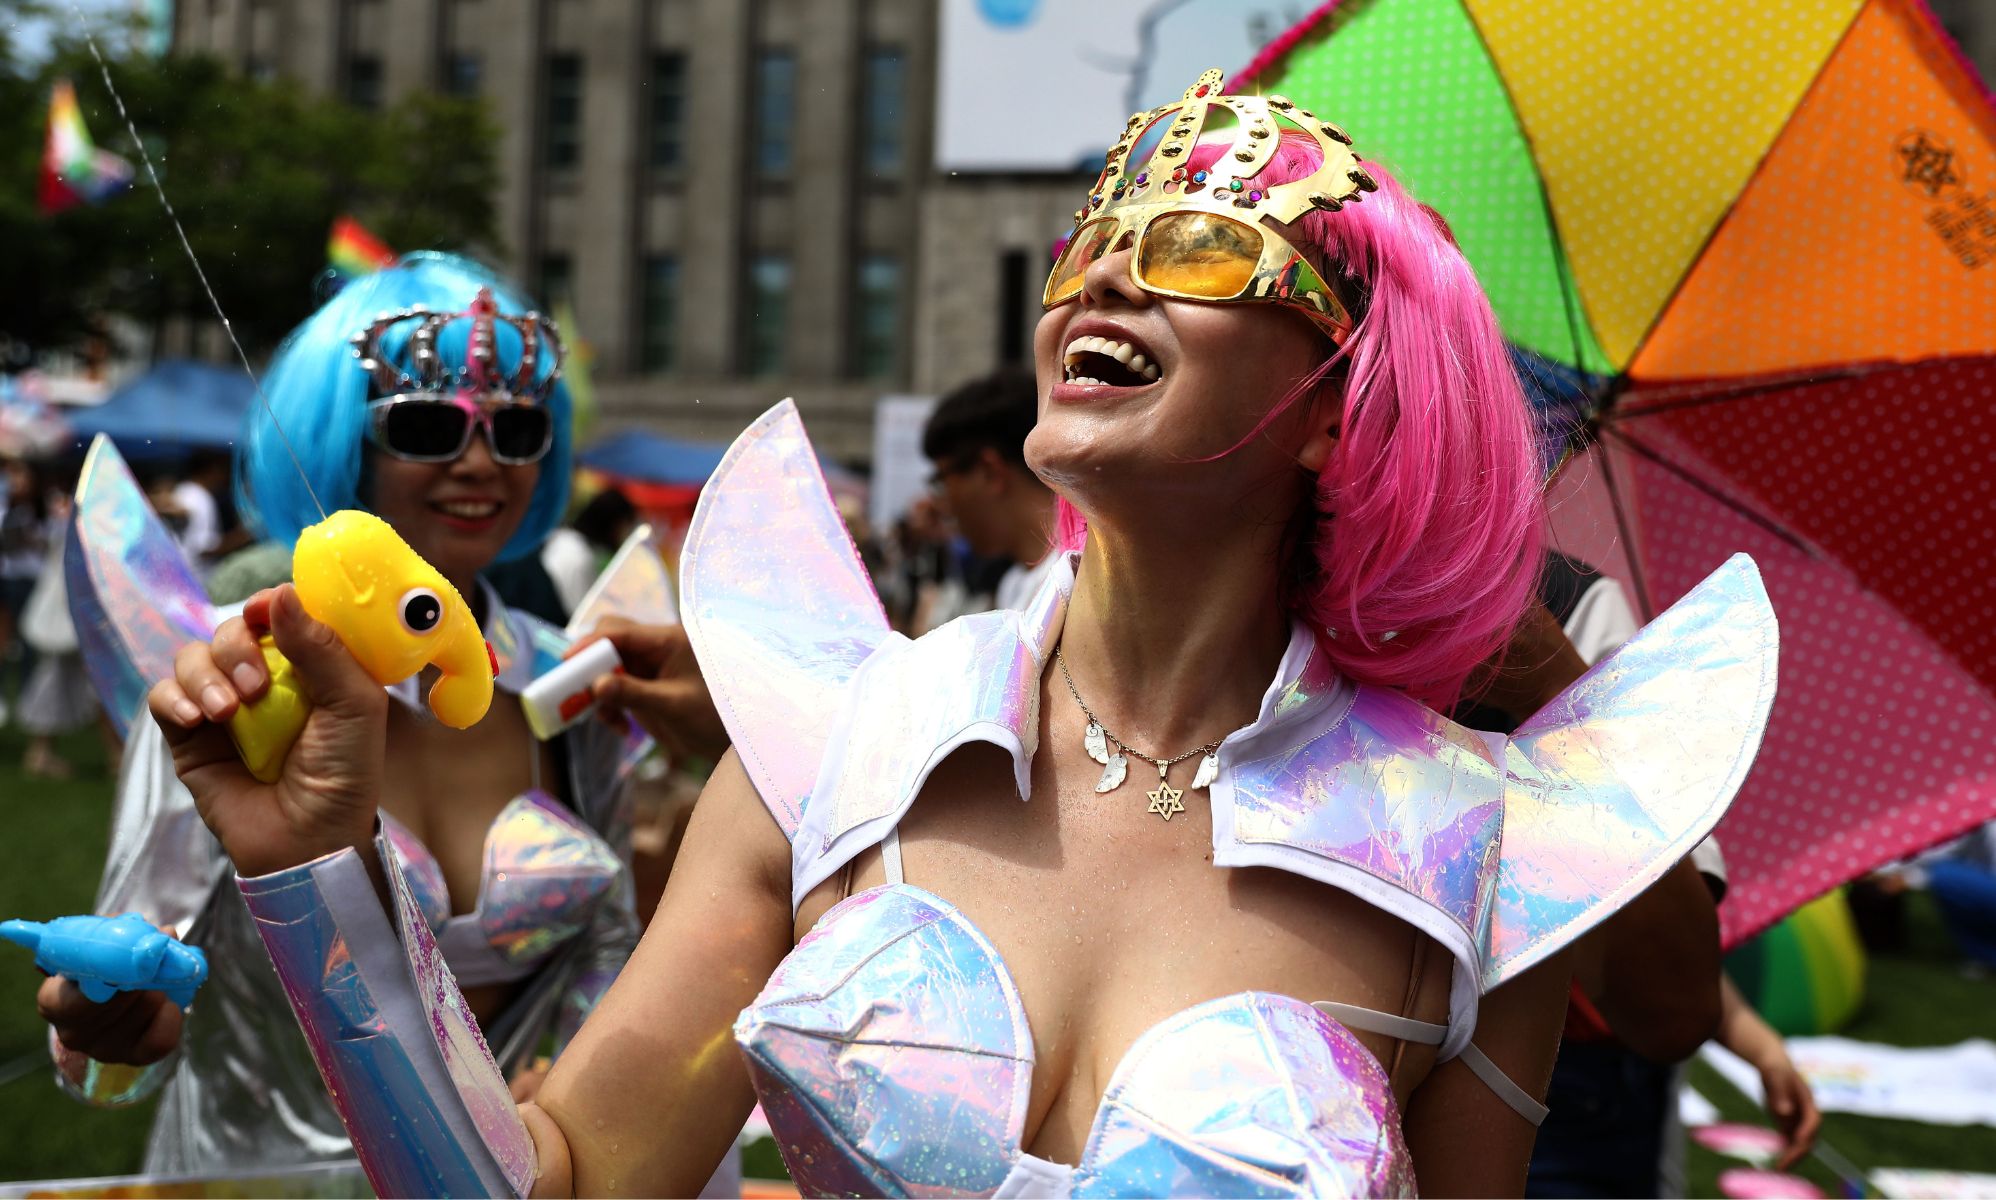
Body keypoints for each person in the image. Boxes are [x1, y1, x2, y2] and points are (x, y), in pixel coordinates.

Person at [152, 73, 1774, 1197]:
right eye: (1090, 248)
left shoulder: (1457, 840)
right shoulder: (841, 737)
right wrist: (315, 877)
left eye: (1199, 252)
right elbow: (552, 1182)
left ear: (1335, 410)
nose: (1099, 288)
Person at [35, 254, 679, 1184]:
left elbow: (610, 934)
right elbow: (118, 1019)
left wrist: (582, 1079)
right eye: (427, 426)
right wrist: (109, 1027)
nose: (480, 462)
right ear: (344, 440)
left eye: (518, 429)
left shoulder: (571, 680)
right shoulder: (238, 671)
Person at [921, 367, 1059, 612]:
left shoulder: (1079, 581)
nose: (941, 503)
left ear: (990, 471)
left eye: (942, 481)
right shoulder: (1014, 585)